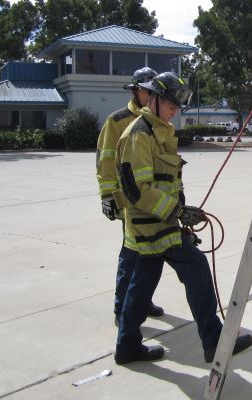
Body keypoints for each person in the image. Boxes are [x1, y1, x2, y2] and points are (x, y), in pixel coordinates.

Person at [113, 71, 252, 364]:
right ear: (152, 98)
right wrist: (176, 211)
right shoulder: (139, 135)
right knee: (196, 268)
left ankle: (127, 346)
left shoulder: (157, 131)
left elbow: (165, 181)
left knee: (142, 285)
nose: (174, 110)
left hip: (161, 223)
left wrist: (181, 216)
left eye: (177, 105)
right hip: (151, 225)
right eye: (169, 103)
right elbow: (137, 189)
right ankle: (213, 341)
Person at [96, 67, 164, 326]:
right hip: (130, 201)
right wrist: (107, 197)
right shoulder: (117, 120)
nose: (150, 96)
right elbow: (105, 160)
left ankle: (142, 301)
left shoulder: (159, 121)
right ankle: (121, 307)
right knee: (131, 254)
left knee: (152, 254)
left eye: (153, 91)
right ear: (135, 91)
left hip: (154, 200)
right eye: (147, 91)